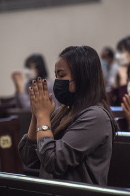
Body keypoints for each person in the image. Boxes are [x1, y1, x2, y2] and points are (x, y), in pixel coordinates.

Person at [18, 46, 117, 185]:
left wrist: (43, 116)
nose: (58, 81)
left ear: (83, 77)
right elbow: (29, 158)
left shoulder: (96, 116)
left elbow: (53, 161)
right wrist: (36, 115)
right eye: (56, 76)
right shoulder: (65, 111)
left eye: (62, 75)